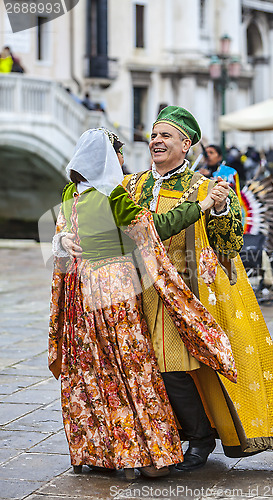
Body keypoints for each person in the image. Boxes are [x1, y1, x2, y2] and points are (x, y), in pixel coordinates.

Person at [122, 105, 273, 470]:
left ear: (186, 144)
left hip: (185, 294)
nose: (155, 141)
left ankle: (200, 437)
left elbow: (229, 245)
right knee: (141, 367)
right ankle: (162, 438)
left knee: (172, 365)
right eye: (154, 135)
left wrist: (218, 210)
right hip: (138, 291)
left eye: (165, 135)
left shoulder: (208, 188)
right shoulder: (132, 185)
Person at [49, 128, 228, 479]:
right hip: (112, 289)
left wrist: (63, 240)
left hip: (77, 293)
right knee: (130, 367)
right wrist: (203, 205)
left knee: (88, 369)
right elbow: (154, 227)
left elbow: (61, 233)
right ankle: (143, 454)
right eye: (118, 153)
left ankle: (95, 449)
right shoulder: (114, 193)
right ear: (109, 157)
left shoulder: (73, 190)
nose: (122, 159)